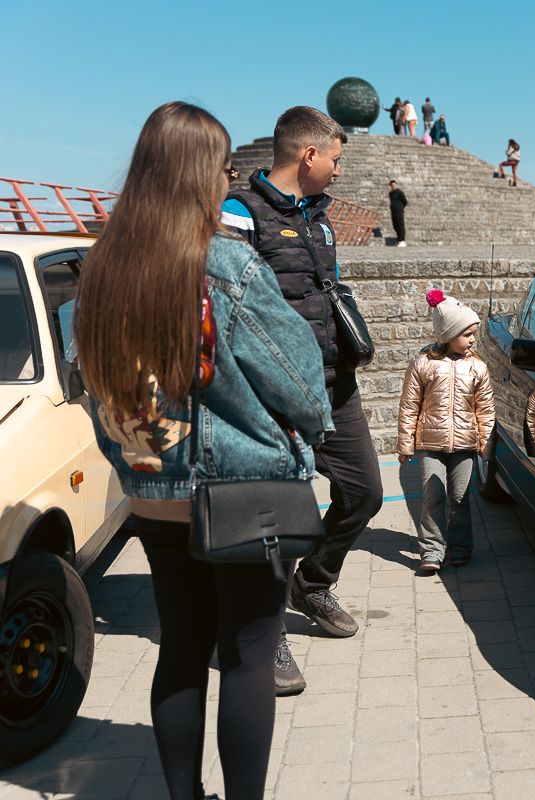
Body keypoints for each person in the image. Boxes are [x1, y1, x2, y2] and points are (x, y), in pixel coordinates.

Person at [76, 101, 334, 800]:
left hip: (152, 493)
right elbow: (302, 383)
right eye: (223, 167)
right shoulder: (223, 263)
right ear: (198, 175)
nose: (229, 180)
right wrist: (306, 432)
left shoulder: (99, 268)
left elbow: (93, 385)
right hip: (242, 496)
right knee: (249, 658)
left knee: (181, 651)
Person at [221, 106, 384, 696]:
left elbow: (328, 286)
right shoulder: (239, 213)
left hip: (333, 386)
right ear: (308, 156)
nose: (340, 172)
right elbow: (228, 300)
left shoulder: (322, 218)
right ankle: (263, 634)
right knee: (278, 519)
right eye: (336, 160)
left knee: (365, 492)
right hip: (271, 398)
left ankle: (313, 582)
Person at [397, 290, 495, 572]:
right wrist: (405, 444)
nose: (473, 340)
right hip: (430, 444)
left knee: (460, 498)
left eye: (474, 334)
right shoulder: (423, 364)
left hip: (464, 445)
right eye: (467, 334)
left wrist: (486, 446)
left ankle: (460, 547)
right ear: (448, 334)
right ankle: (431, 550)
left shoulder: (477, 367)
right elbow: (409, 406)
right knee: (432, 496)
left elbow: (486, 410)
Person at [388, 179, 408, 246]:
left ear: (396, 185)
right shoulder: (390, 193)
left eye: (394, 185)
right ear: (390, 186)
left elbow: (405, 201)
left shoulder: (400, 192)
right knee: (395, 226)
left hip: (399, 211)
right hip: (393, 211)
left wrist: (401, 208)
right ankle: (399, 239)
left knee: (400, 225)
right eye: (392, 185)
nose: (393, 186)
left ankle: (402, 240)